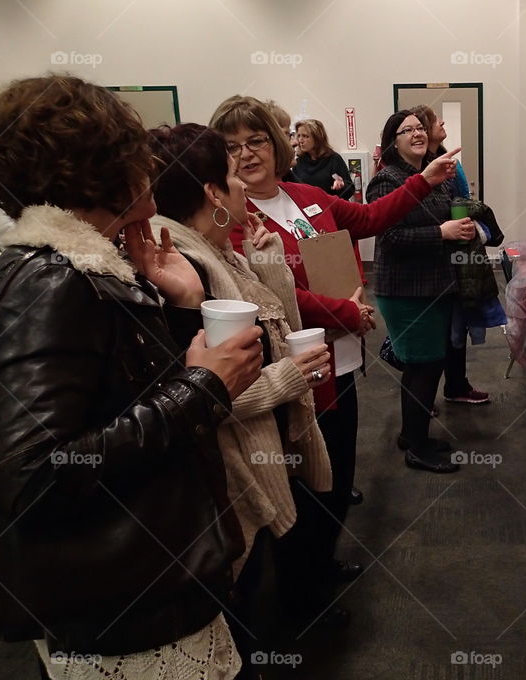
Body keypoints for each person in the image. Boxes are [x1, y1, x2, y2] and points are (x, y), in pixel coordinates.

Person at [0, 75, 264, 679]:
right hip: (121, 605)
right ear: (97, 168)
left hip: (142, 577)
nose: (151, 167)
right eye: (136, 153)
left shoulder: (87, 263)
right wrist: (201, 388)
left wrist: (182, 305)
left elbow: (121, 395)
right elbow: (32, 478)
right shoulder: (52, 279)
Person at [209, 95, 459, 613]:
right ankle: (301, 587)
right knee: (303, 482)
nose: (246, 154)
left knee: (339, 474)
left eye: (255, 140)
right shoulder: (231, 215)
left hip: (339, 362)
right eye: (232, 146)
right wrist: (346, 314)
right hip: (294, 370)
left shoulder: (305, 194)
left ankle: (320, 561)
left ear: (276, 144)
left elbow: (368, 219)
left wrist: (424, 180)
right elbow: (269, 295)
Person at [148, 123, 334, 666]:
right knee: (246, 602)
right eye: (231, 173)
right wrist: (291, 377)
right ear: (211, 192)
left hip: (252, 453)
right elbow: (221, 389)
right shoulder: (189, 263)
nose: (242, 184)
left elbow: (276, 326)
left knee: (259, 591)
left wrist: (270, 261)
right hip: (232, 471)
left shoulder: (213, 250)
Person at [367, 110, 477, 473]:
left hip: (434, 283)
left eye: (419, 128)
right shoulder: (387, 180)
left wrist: (462, 224)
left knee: (426, 364)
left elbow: (447, 213)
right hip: (404, 289)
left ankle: (410, 434)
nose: (416, 133)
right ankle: (417, 448)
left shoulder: (434, 172)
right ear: (393, 140)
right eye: (406, 130)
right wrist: (441, 233)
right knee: (423, 365)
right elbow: (391, 237)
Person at [411, 104, 502, 405]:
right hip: (429, 257)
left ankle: (455, 386)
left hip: (455, 254)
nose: (441, 122)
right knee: (434, 331)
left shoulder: (449, 162)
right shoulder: (415, 168)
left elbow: (463, 200)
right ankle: (423, 402)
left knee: (455, 323)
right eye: (435, 120)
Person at [292, 118, 355, 200]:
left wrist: (341, 186)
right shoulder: (299, 162)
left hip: (331, 208)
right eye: (299, 136)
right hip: (308, 209)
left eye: (305, 136)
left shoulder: (334, 159)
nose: (300, 140)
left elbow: (350, 189)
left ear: (317, 138)